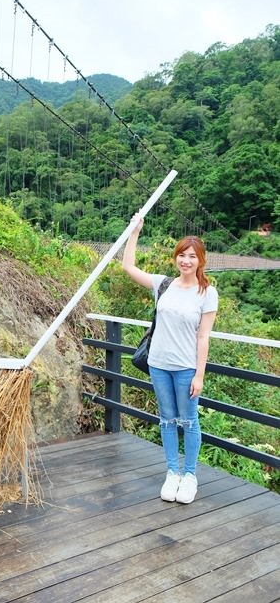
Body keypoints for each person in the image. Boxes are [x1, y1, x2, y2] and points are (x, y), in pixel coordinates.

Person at [122, 215, 218, 504]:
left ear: (201, 261)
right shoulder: (163, 284)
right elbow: (128, 267)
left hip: (186, 368)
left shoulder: (207, 293)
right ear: (176, 258)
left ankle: (189, 476)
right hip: (159, 364)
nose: (186, 261)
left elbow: (203, 337)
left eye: (192, 256)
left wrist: (199, 374)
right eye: (182, 255)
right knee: (166, 420)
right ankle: (172, 473)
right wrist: (135, 232)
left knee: (188, 421)